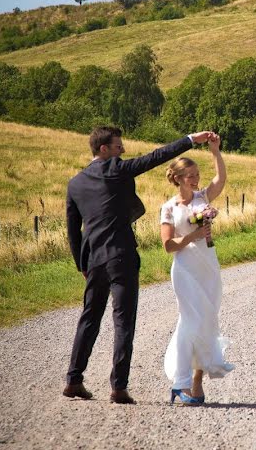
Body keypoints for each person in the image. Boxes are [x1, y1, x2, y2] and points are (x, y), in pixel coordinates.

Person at [62, 126, 214, 405]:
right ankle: (118, 388)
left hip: (94, 260)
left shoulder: (75, 183)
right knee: (123, 322)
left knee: (89, 319)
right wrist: (192, 139)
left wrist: (81, 264)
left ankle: (73, 380)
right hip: (121, 256)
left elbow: (73, 231)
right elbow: (157, 156)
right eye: (118, 146)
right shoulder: (116, 169)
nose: (123, 150)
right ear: (104, 149)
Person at [160, 133, 234, 406]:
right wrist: (193, 236)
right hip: (185, 269)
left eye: (197, 174)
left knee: (207, 321)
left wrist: (215, 151)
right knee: (189, 321)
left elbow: (221, 180)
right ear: (177, 178)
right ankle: (180, 383)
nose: (195, 178)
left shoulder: (203, 197)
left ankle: (196, 381)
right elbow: (168, 245)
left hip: (208, 267)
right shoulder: (168, 208)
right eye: (189, 175)